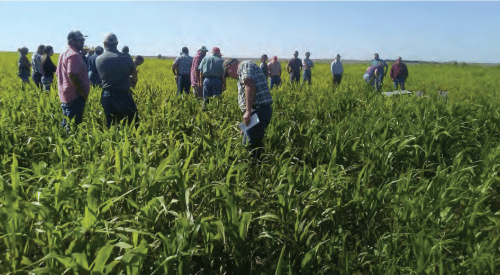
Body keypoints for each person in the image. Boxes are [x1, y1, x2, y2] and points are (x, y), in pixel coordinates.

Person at [224, 58, 273, 159]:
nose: (231, 77)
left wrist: (248, 111)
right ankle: (253, 167)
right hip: (255, 112)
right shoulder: (242, 72)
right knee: (248, 143)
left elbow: (249, 85)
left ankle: (255, 169)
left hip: (258, 110)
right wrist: (246, 125)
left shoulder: (244, 66)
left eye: (228, 74)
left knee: (253, 146)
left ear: (230, 67)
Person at [96, 33, 139, 129]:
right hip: (124, 94)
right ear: (117, 43)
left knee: (112, 126)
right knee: (133, 124)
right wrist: (132, 85)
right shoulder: (126, 57)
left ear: (105, 44)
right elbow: (134, 73)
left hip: (107, 95)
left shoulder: (99, 59)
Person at [56, 31, 90, 131]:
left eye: (83, 40)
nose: (83, 42)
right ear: (72, 41)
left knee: (67, 123)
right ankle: (72, 146)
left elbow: (58, 73)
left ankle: (63, 144)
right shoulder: (73, 55)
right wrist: (82, 92)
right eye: (81, 40)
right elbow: (72, 74)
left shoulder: (64, 53)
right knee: (73, 128)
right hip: (75, 97)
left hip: (66, 95)